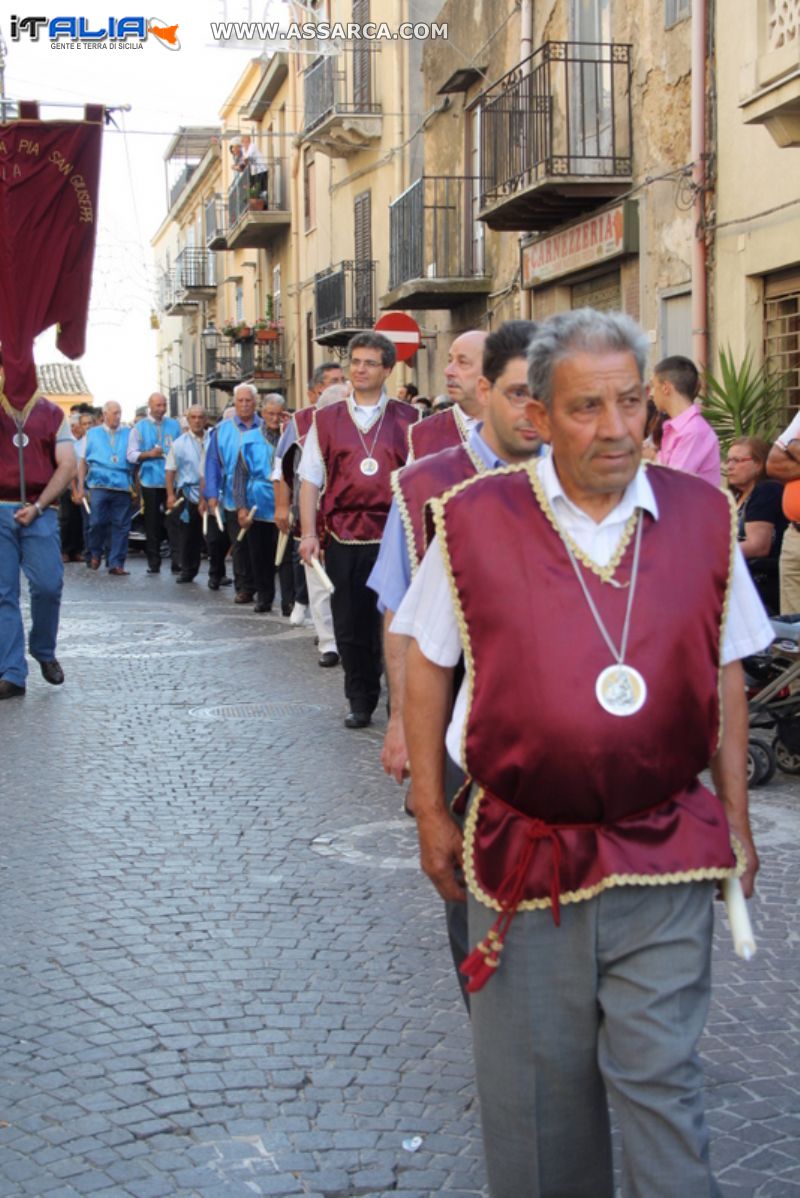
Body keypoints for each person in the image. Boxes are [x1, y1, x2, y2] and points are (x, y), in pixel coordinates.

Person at [396, 308, 773, 1198]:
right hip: (526, 863)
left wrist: (739, 822)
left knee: (664, 1091)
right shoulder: (473, 520)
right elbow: (426, 667)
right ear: (541, 416)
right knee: (537, 1112)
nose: (614, 429)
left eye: (632, 403)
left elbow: (724, 679)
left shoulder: (705, 517)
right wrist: (427, 811)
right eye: (585, 407)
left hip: (666, 849)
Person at [299, 332, 419, 727]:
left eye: (370, 363)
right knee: (350, 622)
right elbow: (311, 479)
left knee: (395, 621)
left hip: (395, 535)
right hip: (344, 535)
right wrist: (309, 534)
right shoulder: (326, 419)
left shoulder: (410, 419)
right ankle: (360, 698)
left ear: (387, 369)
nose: (360, 369)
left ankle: (397, 701)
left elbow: (420, 479)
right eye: (355, 362)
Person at [0, 388, 77, 698]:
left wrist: (40, 505)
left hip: (40, 509)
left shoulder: (53, 414)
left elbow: (68, 464)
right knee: (3, 593)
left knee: (48, 585)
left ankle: (43, 648)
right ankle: (12, 671)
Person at [274, 362, 345, 632]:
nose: (340, 385)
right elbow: (282, 464)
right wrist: (282, 505)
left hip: (343, 512)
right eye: (332, 381)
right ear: (316, 391)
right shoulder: (300, 421)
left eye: (342, 379)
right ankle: (323, 631)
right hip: (311, 507)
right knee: (311, 566)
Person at [204, 384, 262, 601]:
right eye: (240, 401)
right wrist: (211, 493)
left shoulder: (264, 427)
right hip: (232, 497)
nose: (245, 404)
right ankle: (244, 587)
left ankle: (260, 584)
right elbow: (212, 464)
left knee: (260, 543)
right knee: (239, 543)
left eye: (248, 400)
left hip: (261, 497)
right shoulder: (222, 431)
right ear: (235, 403)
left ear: (255, 403)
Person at [233, 394, 283, 613]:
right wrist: (241, 507)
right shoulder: (249, 438)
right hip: (257, 503)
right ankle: (264, 596)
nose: (275, 418)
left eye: (279, 414)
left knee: (283, 557)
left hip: (283, 501)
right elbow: (240, 476)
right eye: (270, 414)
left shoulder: (289, 436)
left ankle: (288, 599)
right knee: (259, 555)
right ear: (262, 414)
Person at [727, 435, 786, 614]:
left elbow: (758, 546)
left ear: (759, 464)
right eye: (728, 460)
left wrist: (714, 552)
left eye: (737, 460)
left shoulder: (766, 491)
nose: (729, 466)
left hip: (760, 583)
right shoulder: (736, 496)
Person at [407, 331, 487, 461]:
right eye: (450, 361)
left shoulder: (520, 428)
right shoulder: (424, 434)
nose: (448, 371)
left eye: (462, 362)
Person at [127, 392, 182, 575]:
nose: (162, 409)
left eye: (164, 405)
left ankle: (177, 562)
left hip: (172, 482)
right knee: (152, 523)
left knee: (174, 521)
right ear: (150, 406)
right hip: (150, 481)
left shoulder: (174, 425)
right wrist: (149, 454)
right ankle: (154, 562)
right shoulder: (139, 428)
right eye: (158, 405)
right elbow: (131, 454)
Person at [77, 401, 134, 575]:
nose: (117, 416)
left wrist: (135, 485)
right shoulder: (92, 434)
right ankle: (95, 551)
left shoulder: (129, 433)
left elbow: (135, 458)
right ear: (105, 414)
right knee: (96, 522)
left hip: (122, 484)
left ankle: (116, 562)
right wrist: (81, 486)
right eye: (114, 413)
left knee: (121, 525)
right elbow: (82, 461)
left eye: (119, 413)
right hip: (98, 484)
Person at [653, 354, 721, 486]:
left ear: (666, 387)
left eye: (654, 386)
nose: (651, 393)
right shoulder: (676, 428)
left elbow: (671, 484)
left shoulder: (693, 431)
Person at [165, 404, 207, 584]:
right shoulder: (179, 443)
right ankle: (187, 570)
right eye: (193, 417)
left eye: (200, 417)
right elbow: (170, 469)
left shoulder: (213, 439)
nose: (197, 421)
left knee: (213, 536)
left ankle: (218, 573)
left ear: (205, 420)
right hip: (188, 493)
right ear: (188, 420)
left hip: (211, 493)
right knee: (188, 535)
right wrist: (170, 495)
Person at [766, 410, 800, 613]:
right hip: (794, 537)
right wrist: (792, 446)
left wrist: (795, 449)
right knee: (793, 635)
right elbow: (773, 464)